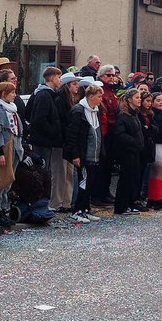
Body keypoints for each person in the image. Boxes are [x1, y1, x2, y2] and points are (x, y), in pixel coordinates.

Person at [64, 83, 104, 223]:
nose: (101, 99)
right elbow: (72, 135)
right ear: (91, 96)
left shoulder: (96, 110)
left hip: (94, 154)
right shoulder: (78, 111)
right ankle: (78, 210)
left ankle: (86, 209)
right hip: (83, 154)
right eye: (99, 96)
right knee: (83, 182)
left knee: (91, 182)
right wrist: (75, 155)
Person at [0, 82, 24, 228]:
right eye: (12, 92)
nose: (15, 95)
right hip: (3, 150)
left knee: (7, 182)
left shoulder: (11, 109)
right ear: (3, 94)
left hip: (14, 149)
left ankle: (3, 209)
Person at [52, 72, 82, 213]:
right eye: (74, 84)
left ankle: (67, 201)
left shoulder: (73, 100)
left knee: (69, 173)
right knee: (60, 173)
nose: (77, 86)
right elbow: (61, 123)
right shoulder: (60, 100)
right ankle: (57, 202)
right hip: (61, 141)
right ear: (67, 86)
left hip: (69, 142)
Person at [25, 67, 62, 177]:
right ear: (52, 78)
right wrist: (53, 131)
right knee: (43, 172)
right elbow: (39, 120)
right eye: (58, 77)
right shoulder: (44, 95)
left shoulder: (43, 93)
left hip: (44, 141)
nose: (60, 80)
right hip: (42, 142)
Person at [113, 88, 144, 215]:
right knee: (126, 179)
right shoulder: (123, 115)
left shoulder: (134, 114)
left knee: (133, 178)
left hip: (135, 151)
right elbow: (120, 135)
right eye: (137, 98)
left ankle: (130, 204)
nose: (139, 100)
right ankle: (121, 206)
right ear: (130, 99)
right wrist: (134, 142)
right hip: (127, 152)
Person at [93, 65, 119, 206]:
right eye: (108, 75)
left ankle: (105, 191)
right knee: (101, 165)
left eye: (112, 75)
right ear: (101, 76)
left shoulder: (111, 92)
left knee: (108, 165)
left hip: (111, 132)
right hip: (104, 132)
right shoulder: (101, 91)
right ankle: (97, 194)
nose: (111, 78)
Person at [135, 91, 156, 212]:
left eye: (150, 101)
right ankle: (136, 197)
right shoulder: (138, 114)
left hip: (148, 145)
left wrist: (150, 128)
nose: (148, 104)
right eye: (147, 101)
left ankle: (139, 197)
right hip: (141, 146)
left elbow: (155, 128)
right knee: (138, 174)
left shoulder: (150, 114)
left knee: (144, 172)